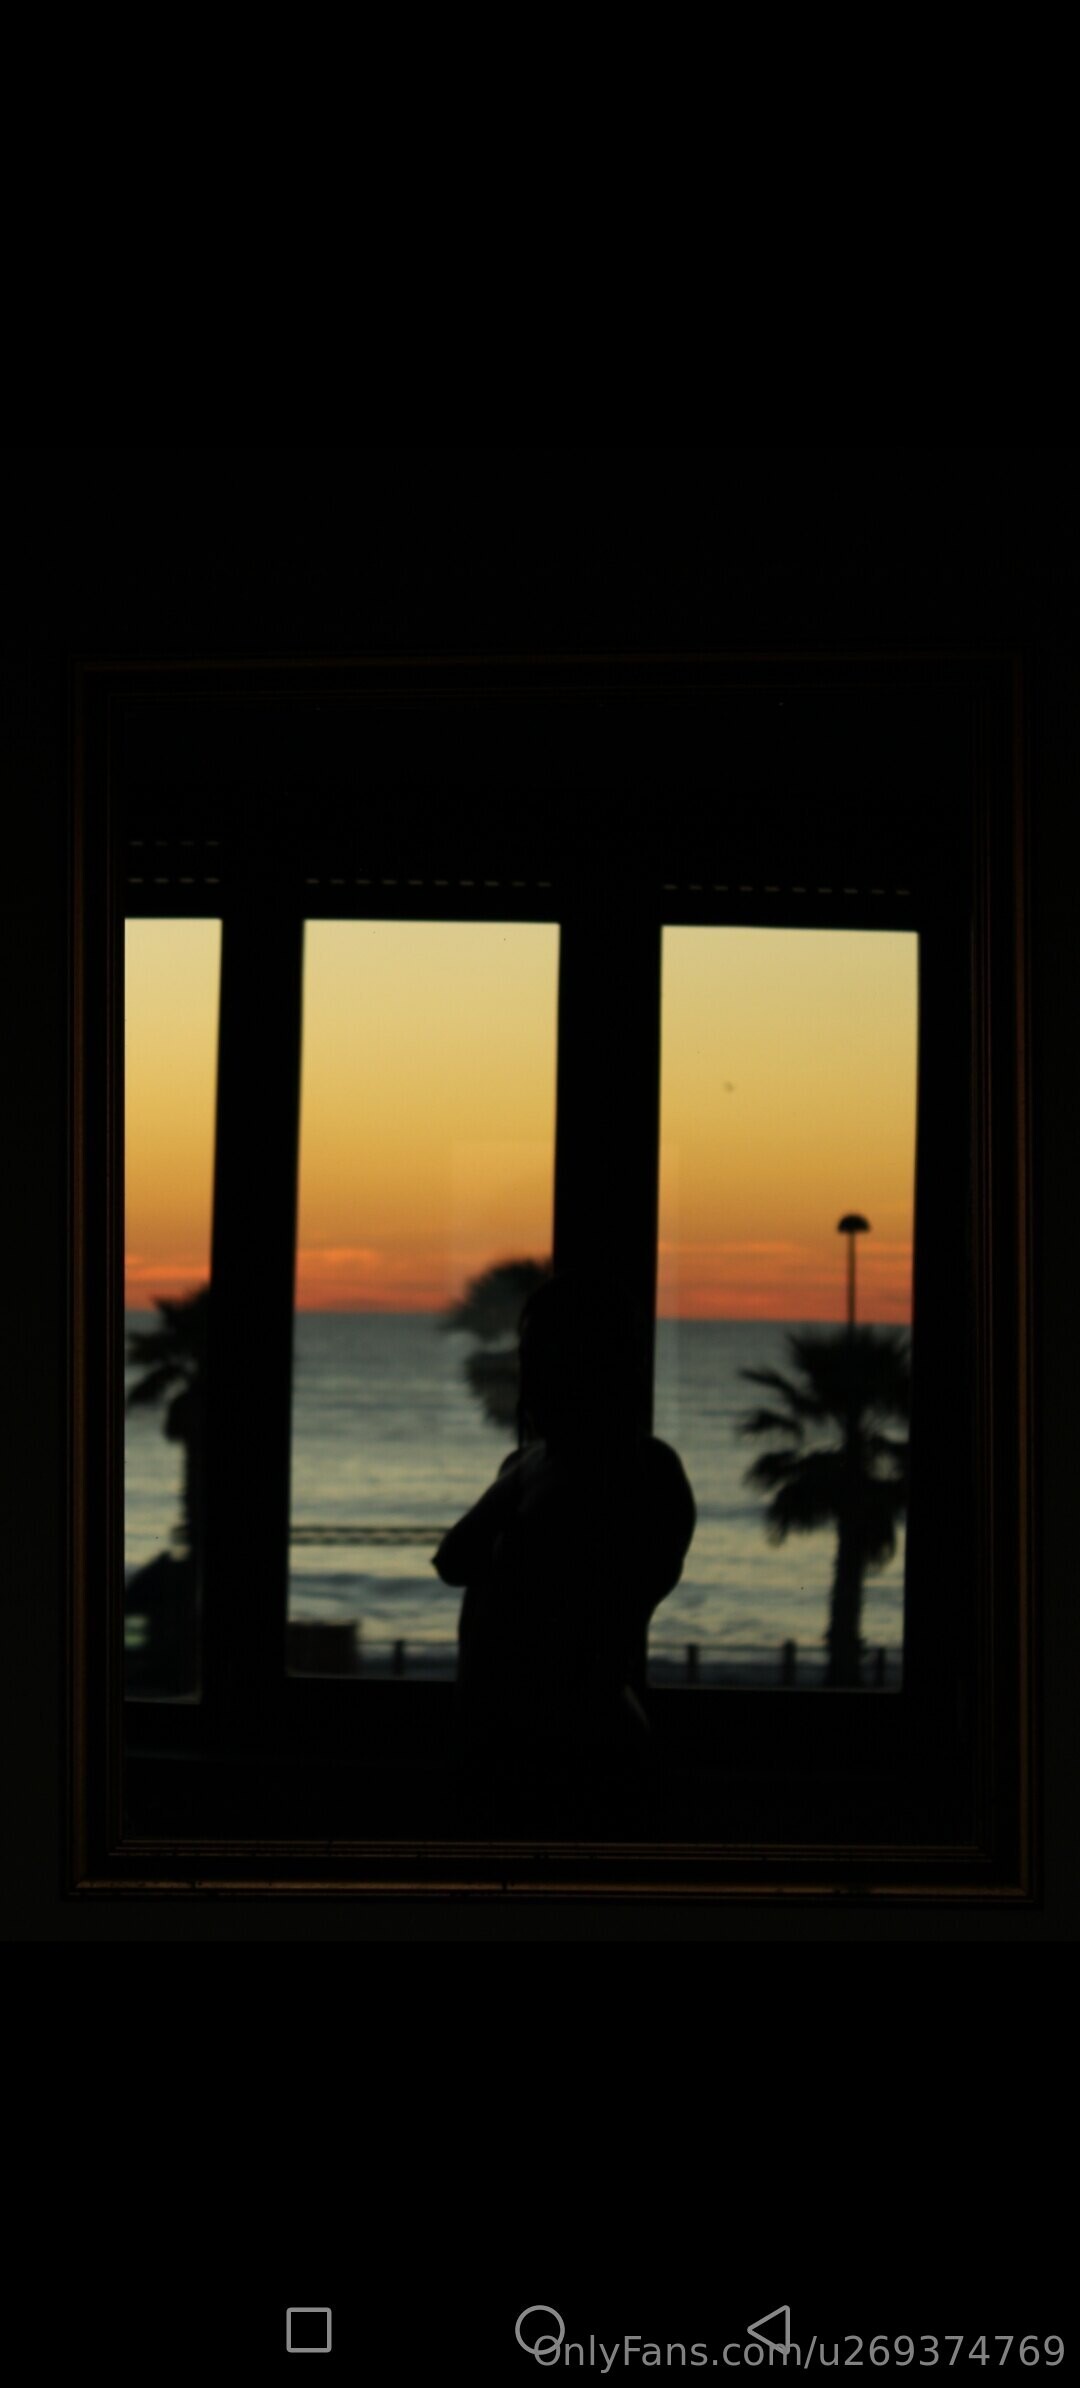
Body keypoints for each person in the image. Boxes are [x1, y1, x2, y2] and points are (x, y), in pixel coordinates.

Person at [433, 1276, 695, 1806]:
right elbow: (454, 1560)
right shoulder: (527, 1465)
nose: (530, 1377)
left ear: (605, 1367)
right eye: (528, 1357)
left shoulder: (646, 1472)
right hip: (492, 1751)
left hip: (586, 1758)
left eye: (553, 1359)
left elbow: (588, 1624)